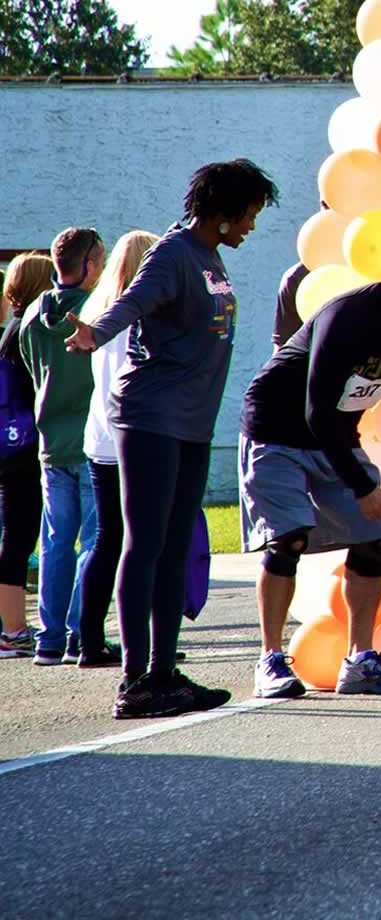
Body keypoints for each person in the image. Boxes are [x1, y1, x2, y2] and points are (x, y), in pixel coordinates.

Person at [66, 158, 280, 719]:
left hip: (190, 421)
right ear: (225, 211)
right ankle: (135, 681)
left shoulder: (209, 257)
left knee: (175, 545)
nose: (253, 226)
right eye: (250, 214)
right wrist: (96, 333)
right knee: (146, 543)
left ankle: (164, 672)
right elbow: (132, 303)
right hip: (151, 415)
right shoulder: (172, 251)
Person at [238, 240, 381, 701]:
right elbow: (317, 409)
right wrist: (362, 485)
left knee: (374, 536)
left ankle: (360, 661)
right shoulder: (348, 316)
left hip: (335, 435)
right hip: (278, 428)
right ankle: (270, 659)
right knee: (289, 539)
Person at [16, 226, 105, 666]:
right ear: (89, 265)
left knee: (55, 542)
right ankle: (80, 633)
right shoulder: (95, 310)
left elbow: (33, 369)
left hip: (50, 441)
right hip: (89, 441)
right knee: (93, 540)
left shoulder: (33, 313)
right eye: (101, 262)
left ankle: (50, 638)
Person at [73, 230, 159, 669]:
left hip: (100, 439)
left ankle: (87, 639)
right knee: (141, 543)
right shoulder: (137, 317)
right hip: (133, 437)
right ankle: (138, 643)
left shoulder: (99, 310)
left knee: (108, 540)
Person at [0, 253, 55, 659]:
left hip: (11, 445)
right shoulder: (25, 332)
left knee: (15, 536)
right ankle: (14, 629)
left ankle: (12, 625)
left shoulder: (10, 330)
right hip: (23, 447)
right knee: (18, 537)